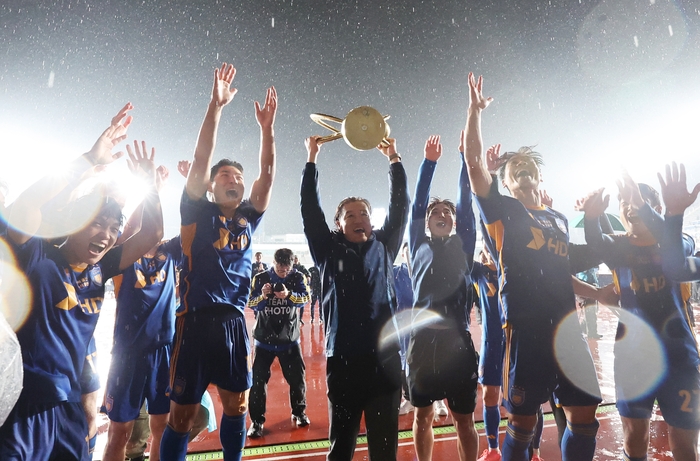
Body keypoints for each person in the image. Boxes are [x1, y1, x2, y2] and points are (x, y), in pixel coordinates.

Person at [0, 104, 164, 460]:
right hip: (24, 405)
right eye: (97, 224)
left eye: (113, 228)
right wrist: (89, 159)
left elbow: (152, 233)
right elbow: (27, 206)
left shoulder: (100, 269)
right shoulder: (38, 257)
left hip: (69, 406)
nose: (106, 235)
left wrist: (150, 186)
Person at [464, 73, 602, 461]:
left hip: (568, 330)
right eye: (516, 168)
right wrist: (474, 112)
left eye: (529, 167)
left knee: (584, 417)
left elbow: (573, 262)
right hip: (526, 332)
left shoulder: (558, 218)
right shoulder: (503, 212)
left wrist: (594, 221)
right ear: (506, 183)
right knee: (523, 425)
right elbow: (473, 163)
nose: (524, 170)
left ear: (540, 177)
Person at [159, 63, 277, 461]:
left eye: (238, 176)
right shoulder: (195, 210)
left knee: (237, 406)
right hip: (193, 321)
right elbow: (201, 157)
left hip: (233, 323)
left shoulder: (248, 218)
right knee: (181, 417)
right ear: (210, 185)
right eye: (224, 175)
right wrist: (216, 106)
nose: (234, 179)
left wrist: (267, 129)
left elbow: (267, 174)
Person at [578, 165, 700, 461]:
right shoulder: (618, 247)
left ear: (655, 209)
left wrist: (668, 213)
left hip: (679, 359)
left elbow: (674, 254)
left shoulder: (680, 241)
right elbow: (596, 241)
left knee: (685, 445)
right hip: (633, 360)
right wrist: (592, 218)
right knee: (634, 438)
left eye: (638, 201)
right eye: (624, 202)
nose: (629, 206)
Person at [301, 135, 409, 461]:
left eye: (363, 213)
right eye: (349, 215)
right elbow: (310, 210)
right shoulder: (327, 250)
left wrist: (394, 159)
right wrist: (311, 158)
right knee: (341, 447)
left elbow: (400, 207)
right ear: (338, 224)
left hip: (385, 362)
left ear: (372, 222)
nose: (358, 218)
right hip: (344, 361)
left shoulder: (385, 247)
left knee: (384, 450)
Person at [407, 134, 479, 461]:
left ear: (454, 221)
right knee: (422, 416)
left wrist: (464, 160)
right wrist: (429, 163)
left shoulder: (464, 244)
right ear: (427, 221)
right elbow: (417, 204)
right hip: (422, 342)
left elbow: (465, 202)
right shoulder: (418, 245)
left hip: (457, 342)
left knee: (464, 419)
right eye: (435, 211)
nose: (442, 214)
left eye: (447, 212)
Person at [102, 223, 183, 461]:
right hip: (127, 355)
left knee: (163, 428)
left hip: (163, 351)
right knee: (119, 433)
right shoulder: (125, 254)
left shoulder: (170, 252)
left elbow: (196, 223)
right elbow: (128, 231)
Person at [246, 247, 311, 437]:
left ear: (291, 266)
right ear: (273, 263)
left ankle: (299, 412)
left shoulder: (297, 277)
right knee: (257, 383)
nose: (283, 273)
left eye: (286, 270)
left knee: (297, 380)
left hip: (289, 340)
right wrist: (263, 296)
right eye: (280, 269)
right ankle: (257, 421)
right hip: (263, 341)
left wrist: (289, 295)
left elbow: (306, 298)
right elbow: (250, 302)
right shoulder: (260, 278)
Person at [472, 247, 504, 461]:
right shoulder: (479, 271)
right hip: (491, 342)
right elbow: (463, 249)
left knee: (526, 398)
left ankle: (534, 452)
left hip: (517, 341)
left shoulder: (514, 265)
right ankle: (493, 449)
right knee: (489, 396)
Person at [393, 242, 415, 416]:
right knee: (404, 362)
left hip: (423, 326)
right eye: (407, 253)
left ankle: (436, 399)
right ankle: (408, 399)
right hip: (403, 328)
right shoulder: (396, 273)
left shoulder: (426, 272)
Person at [293, 254, 311, 324]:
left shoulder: (301, 267)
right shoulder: (291, 266)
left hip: (300, 286)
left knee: (301, 302)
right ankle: (294, 318)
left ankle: (300, 318)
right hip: (293, 286)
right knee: (293, 302)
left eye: (296, 259)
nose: (295, 260)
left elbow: (308, 273)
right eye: (294, 259)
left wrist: (308, 277)